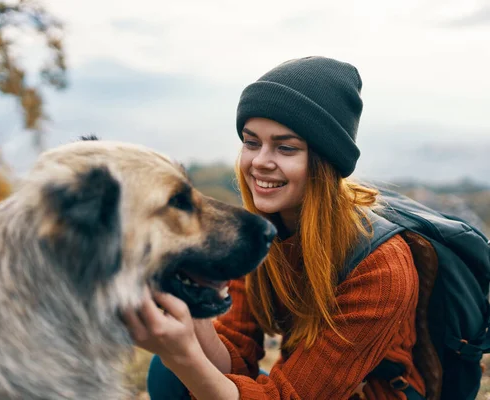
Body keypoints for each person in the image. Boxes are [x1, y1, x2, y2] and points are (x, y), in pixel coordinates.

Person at [122, 56, 425, 399]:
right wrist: (193, 304)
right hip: (300, 387)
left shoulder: (381, 267)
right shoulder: (263, 230)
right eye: (251, 143)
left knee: (183, 363)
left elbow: (287, 395)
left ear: (324, 162)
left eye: (285, 148)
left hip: (375, 394)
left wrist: (183, 355)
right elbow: (233, 359)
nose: (261, 162)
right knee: (170, 372)